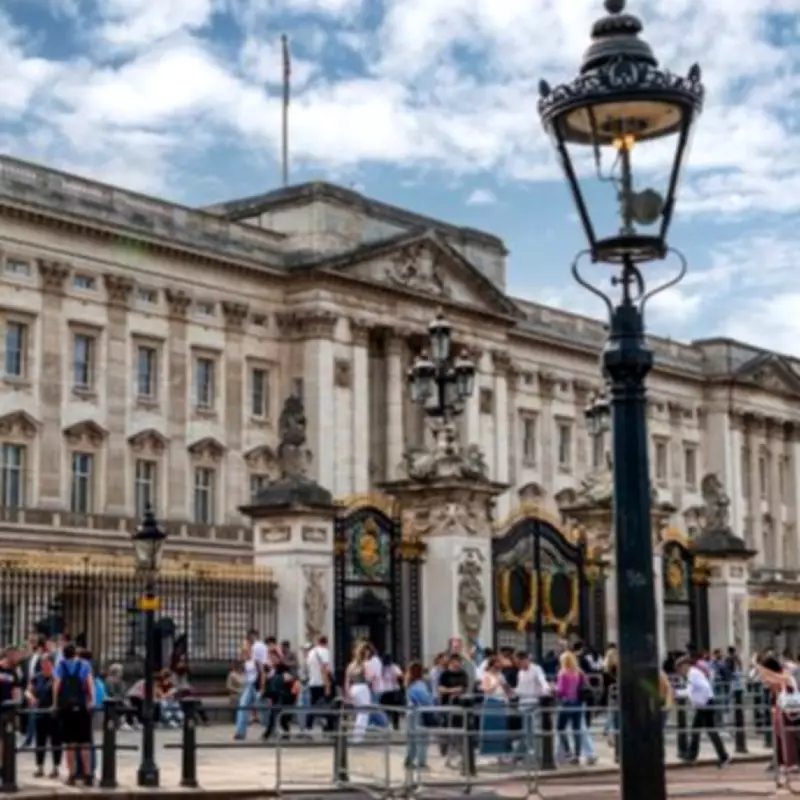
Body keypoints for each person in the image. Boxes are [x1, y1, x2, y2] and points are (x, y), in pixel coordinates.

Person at [676, 655, 730, 768]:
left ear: (685, 666)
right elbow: (693, 690)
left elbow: (702, 688)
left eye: (679, 668)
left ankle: (723, 757)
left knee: (710, 732)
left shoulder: (692, 674)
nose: (679, 672)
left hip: (705, 705)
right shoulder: (692, 674)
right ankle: (692, 756)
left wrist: (702, 700)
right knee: (697, 730)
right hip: (703, 705)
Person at [54, 643, 95, 786]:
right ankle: (88, 774)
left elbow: (57, 685)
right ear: (75, 653)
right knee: (85, 742)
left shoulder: (61, 665)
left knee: (70, 744)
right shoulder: (84, 665)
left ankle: (71, 775)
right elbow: (90, 683)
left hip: (66, 708)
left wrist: (55, 703)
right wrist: (92, 701)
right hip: (82, 706)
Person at [555, 650, 584, 765]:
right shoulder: (578, 672)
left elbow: (561, 691)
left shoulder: (563, 673)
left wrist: (554, 689)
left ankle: (568, 752)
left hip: (566, 703)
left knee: (560, 728)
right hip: (577, 702)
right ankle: (577, 754)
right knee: (576, 729)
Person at [405, 661, 433, 771]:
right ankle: (421, 762)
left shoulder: (409, 684)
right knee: (422, 739)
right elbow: (426, 700)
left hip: (410, 713)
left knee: (411, 739)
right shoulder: (420, 685)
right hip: (420, 714)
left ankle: (410, 759)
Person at [304, 635, 332, 734]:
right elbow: (324, 669)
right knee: (327, 705)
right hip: (321, 683)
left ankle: (308, 727)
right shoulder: (324, 652)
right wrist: (327, 684)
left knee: (313, 705)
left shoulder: (311, 652)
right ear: (326, 642)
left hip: (312, 682)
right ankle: (328, 727)